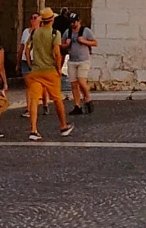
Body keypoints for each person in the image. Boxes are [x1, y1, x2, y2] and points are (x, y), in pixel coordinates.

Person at [25, 8, 73, 140]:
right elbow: (57, 53)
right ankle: (63, 126)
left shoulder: (35, 32)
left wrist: (30, 64)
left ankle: (33, 130)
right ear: (52, 20)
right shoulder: (54, 33)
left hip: (36, 71)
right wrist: (59, 68)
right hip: (50, 71)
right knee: (57, 99)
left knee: (34, 100)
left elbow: (26, 50)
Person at [67, 15, 96, 115]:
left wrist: (84, 41)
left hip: (83, 60)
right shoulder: (68, 32)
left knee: (81, 81)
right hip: (72, 61)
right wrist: (66, 44)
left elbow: (95, 43)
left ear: (79, 21)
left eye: (74, 22)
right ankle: (77, 105)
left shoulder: (86, 31)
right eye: (71, 22)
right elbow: (62, 45)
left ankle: (87, 98)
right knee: (73, 84)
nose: (72, 24)